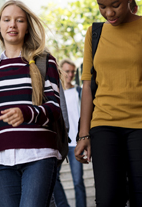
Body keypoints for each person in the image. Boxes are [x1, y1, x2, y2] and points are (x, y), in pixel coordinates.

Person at [0, 0, 62, 207]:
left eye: (19, 20)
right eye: (7, 20)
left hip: (38, 156)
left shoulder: (44, 61)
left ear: (27, 27)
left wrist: (26, 113)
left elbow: (54, 108)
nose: (12, 25)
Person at [75, 0, 142, 207]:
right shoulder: (94, 33)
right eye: (102, 6)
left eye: (115, 4)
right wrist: (83, 134)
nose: (109, 12)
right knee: (107, 200)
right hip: (104, 124)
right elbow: (87, 86)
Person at [53, 59, 86, 207]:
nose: (71, 74)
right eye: (68, 71)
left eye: (73, 71)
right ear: (60, 71)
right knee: (53, 178)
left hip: (75, 143)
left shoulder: (78, 91)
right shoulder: (54, 92)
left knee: (78, 181)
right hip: (59, 142)